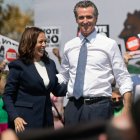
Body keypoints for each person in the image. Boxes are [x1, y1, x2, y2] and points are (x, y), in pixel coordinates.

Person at [57, 0, 133, 126]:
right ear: (76, 20)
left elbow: (123, 77)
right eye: (81, 17)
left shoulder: (109, 44)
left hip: (100, 108)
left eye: (89, 17)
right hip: (72, 108)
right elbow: (64, 76)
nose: (85, 21)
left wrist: (128, 106)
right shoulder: (69, 46)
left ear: (96, 19)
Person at [2, 27, 67, 133]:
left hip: (47, 122)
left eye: (45, 41)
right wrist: (15, 117)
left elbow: (57, 89)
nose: (44, 45)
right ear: (30, 43)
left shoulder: (50, 63)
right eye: (40, 42)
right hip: (24, 122)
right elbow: (7, 95)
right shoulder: (18, 65)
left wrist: (75, 85)